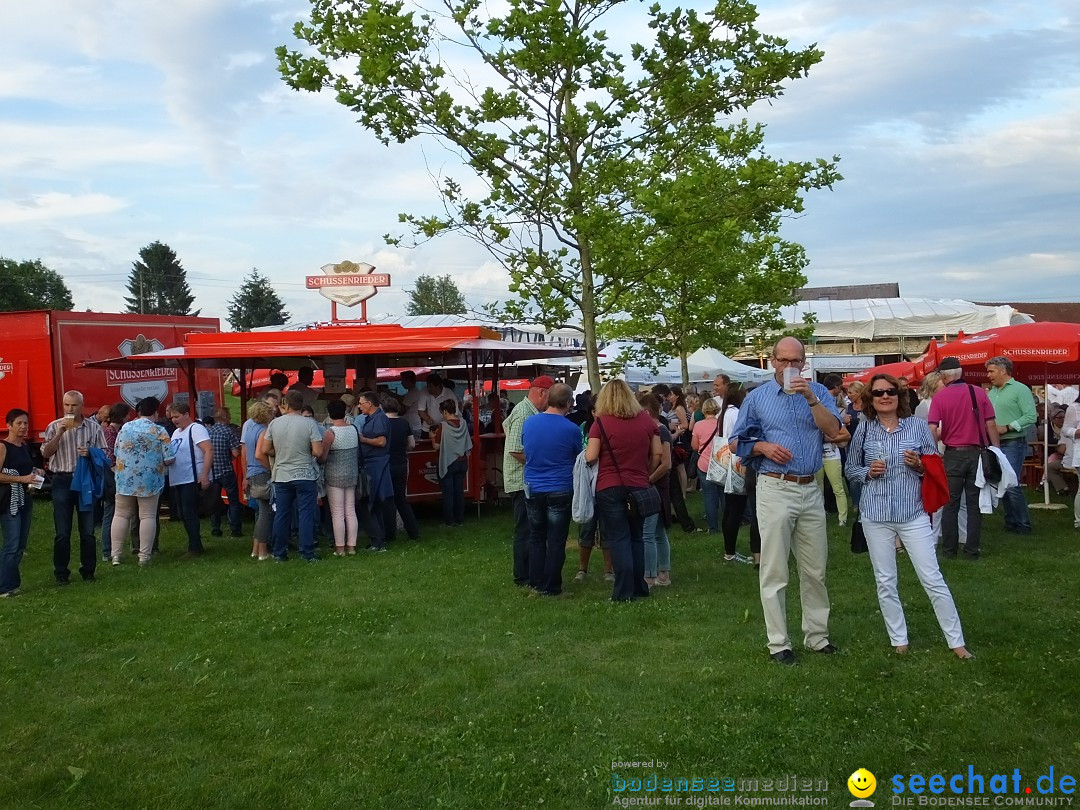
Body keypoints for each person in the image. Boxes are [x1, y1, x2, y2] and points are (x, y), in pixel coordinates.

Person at [731, 337, 848, 665]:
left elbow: (834, 430)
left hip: (810, 487)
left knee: (815, 569)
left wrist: (811, 398)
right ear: (772, 361)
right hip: (775, 487)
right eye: (784, 361)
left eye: (797, 361)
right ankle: (779, 643)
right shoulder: (757, 398)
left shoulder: (820, 393)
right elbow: (737, 440)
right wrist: (762, 448)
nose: (790, 367)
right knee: (775, 568)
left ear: (804, 362)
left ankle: (817, 636)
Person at [845, 374, 973, 659]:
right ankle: (898, 638)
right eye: (878, 393)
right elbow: (850, 469)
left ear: (899, 396)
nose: (885, 396)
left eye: (890, 391)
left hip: (912, 512)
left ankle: (956, 641)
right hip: (876, 514)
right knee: (885, 580)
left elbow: (933, 465)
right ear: (870, 399)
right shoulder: (864, 430)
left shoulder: (916, 426)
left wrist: (918, 465)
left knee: (932, 577)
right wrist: (867, 472)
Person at [584, 379, 662, 602]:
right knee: (636, 536)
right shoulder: (646, 421)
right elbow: (657, 454)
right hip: (638, 485)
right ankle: (640, 586)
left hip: (609, 486)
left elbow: (591, 456)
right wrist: (644, 473)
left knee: (618, 538)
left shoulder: (600, 423)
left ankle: (623, 591)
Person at [927, 356, 1000, 560]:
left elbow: (932, 428)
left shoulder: (940, 398)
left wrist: (933, 452)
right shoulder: (977, 392)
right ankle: (972, 550)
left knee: (951, 504)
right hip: (977, 454)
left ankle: (949, 551)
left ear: (943, 376)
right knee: (974, 504)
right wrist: (997, 451)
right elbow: (991, 424)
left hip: (952, 455)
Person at [41, 390, 107, 585]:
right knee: (62, 531)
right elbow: (46, 453)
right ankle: (61, 573)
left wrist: (91, 452)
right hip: (62, 480)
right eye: (67, 405)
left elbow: (104, 455)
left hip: (85, 479)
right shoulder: (54, 426)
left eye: (74, 405)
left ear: (82, 406)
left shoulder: (93, 428)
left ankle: (88, 571)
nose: (70, 409)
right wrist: (60, 433)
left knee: (87, 530)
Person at [521, 383, 580, 595]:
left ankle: (536, 581)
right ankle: (552, 586)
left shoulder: (529, 423)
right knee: (556, 540)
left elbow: (525, 449)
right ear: (568, 403)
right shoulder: (571, 429)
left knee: (536, 536)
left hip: (533, 486)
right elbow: (578, 456)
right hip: (560, 487)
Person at [260, 389, 324, 562]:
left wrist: (279, 451)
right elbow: (318, 451)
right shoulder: (309, 423)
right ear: (301, 404)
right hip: (304, 474)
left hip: (282, 475)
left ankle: (279, 553)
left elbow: (264, 450)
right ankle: (307, 552)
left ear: (285, 404)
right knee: (305, 514)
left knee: (282, 514)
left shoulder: (274, 424)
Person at [111, 397, 175, 566]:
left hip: (125, 479)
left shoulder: (125, 427)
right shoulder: (159, 431)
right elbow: (169, 459)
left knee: (120, 515)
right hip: (149, 481)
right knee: (147, 516)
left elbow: (116, 450)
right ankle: (144, 556)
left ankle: (116, 555)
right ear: (156, 412)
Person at [502, 375, 553, 585]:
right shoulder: (524, 413)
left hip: (525, 480)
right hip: (521, 481)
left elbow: (506, 427)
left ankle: (530, 570)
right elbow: (515, 449)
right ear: (541, 392)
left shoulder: (527, 411)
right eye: (551, 397)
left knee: (531, 528)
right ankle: (522, 574)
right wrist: (539, 461)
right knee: (524, 529)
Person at [984, 356, 1037, 535]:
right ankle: (1011, 522)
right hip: (995, 444)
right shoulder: (991, 392)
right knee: (1002, 483)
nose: (988, 375)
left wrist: (1007, 427)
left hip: (1014, 441)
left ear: (1003, 370)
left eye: (991, 371)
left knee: (1012, 484)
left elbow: (1031, 416)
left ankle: (1023, 525)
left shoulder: (1020, 389)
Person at [165, 401, 213, 559]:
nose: (174, 420)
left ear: (186, 414)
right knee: (183, 513)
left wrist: (204, 475)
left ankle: (195, 546)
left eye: (177, 416)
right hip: (179, 478)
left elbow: (208, 450)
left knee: (189, 513)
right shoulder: (176, 432)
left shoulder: (196, 429)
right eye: (172, 417)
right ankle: (194, 543)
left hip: (191, 477)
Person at [1, 409, 40, 597]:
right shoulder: (3, 447)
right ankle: (4, 587)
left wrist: (35, 473)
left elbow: (25, 471)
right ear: (9, 425)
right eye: (19, 423)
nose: (24, 427)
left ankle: (12, 584)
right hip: (9, 500)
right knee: (12, 543)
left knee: (20, 544)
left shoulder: (23, 447)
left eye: (26, 423)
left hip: (26, 498)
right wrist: (22, 479)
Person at [637, 393, 674, 587]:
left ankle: (649, 576)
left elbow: (666, 463)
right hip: (657, 485)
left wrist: (648, 479)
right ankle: (663, 574)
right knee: (659, 532)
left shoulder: (660, 431)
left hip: (656, 486)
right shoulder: (659, 430)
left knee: (648, 533)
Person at [718, 387, 756, 565]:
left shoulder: (725, 412)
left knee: (730, 509)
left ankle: (729, 551)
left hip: (727, 462)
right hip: (738, 463)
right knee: (736, 509)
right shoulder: (736, 413)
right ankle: (730, 552)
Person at [357, 390, 396, 550]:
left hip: (377, 464)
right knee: (376, 503)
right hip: (372, 463)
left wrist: (363, 439)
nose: (359, 406)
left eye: (361, 403)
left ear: (369, 404)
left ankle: (378, 540)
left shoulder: (379, 419)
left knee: (370, 502)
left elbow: (381, 441)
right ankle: (380, 537)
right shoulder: (372, 418)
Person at [320, 399, 360, 555]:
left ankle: (340, 547)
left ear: (329, 415)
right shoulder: (354, 429)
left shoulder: (330, 433)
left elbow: (322, 457)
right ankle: (351, 547)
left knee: (337, 512)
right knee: (350, 510)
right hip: (351, 473)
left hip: (334, 475)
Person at [241, 399, 274, 561]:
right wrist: (272, 468)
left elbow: (246, 453)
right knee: (265, 514)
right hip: (261, 472)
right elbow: (260, 454)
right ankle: (263, 551)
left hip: (252, 473)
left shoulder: (249, 430)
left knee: (260, 513)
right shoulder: (262, 431)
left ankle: (255, 549)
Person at [384, 398, 420, 541]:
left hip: (386, 463)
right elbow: (412, 444)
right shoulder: (404, 423)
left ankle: (389, 534)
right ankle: (413, 532)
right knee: (401, 499)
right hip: (401, 463)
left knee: (388, 500)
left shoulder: (383, 423)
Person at [432, 399, 472, 527]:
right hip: (462, 461)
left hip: (448, 462)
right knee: (459, 492)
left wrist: (432, 437)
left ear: (444, 411)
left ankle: (449, 521)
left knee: (448, 493)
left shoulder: (442, 426)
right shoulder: (464, 423)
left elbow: (436, 447)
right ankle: (459, 519)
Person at [690, 397, 727, 533]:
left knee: (709, 497)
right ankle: (728, 524)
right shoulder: (721, 424)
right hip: (721, 463)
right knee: (724, 495)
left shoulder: (698, 425)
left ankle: (712, 527)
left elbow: (694, 446)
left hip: (704, 464)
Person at [100, 402, 132, 562]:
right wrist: (117, 474)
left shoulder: (114, 430)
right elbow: (109, 456)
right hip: (112, 477)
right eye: (127, 415)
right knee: (110, 512)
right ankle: (107, 550)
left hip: (114, 475)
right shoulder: (110, 432)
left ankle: (111, 549)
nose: (129, 418)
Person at [817, 375, 849, 527]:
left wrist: (830, 439)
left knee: (837, 487)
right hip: (817, 455)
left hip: (831, 454)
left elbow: (845, 435)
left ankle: (842, 519)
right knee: (818, 489)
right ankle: (820, 516)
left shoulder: (832, 416)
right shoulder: (814, 417)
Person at [207, 407, 243, 539]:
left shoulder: (207, 431)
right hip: (226, 471)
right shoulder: (228, 431)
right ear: (225, 418)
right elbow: (236, 452)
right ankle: (235, 530)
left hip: (212, 472)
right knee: (233, 502)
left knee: (214, 501)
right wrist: (230, 458)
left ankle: (216, 529)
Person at [400, 370, 436, 438]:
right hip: (414, 425)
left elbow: (403, 410)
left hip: (412, 427)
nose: (401, 383)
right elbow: (401, 398)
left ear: (408, 381)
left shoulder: (412, 394)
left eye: (403, 380)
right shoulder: (413, 392)